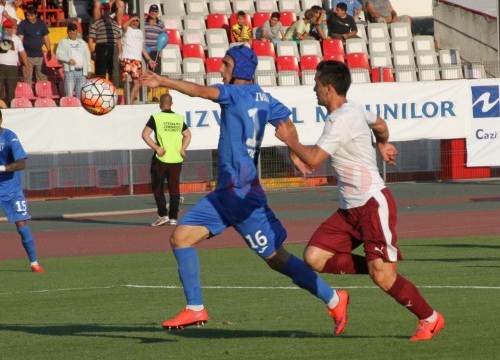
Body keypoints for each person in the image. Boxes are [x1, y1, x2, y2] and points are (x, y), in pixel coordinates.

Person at [140, 45, 349, 333]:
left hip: (243, 197)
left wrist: (163, 81)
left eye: (225, 64)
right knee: (180, 239)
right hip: (225, 194)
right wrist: (293, 151)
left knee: (278, 259)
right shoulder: (265, 97)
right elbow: (285, 122)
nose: (220, 69)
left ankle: (335, 298)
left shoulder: (233, 94)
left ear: (238, 70)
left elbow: (199, 91)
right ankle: (195, 308)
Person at [274, 60, 444, 341]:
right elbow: (380, 124)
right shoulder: (352, 109)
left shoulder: (340, 120)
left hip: (372, 204)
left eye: (316, 85)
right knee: (314, 257)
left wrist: (290, 140)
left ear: (329, 89)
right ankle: (380, 266)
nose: (313, 90)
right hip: (349, 210)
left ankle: (430, 318)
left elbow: (314, 160)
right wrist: (382, 143)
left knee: (383, 276)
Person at [0, 103, 45, 273]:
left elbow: (21, 164)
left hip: (12, 189)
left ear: (1, 120)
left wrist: (0, 168)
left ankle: (34, 263)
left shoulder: (10, 137)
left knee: (22, 226)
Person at [141, 93, 191, 227]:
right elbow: (187, 135)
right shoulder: (179, 119)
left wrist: (157, 147)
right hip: (176, 158)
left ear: (160, 105)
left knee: (158, 188)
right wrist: (183, 149)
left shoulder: (156, 118)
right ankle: (173, 217)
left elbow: (145, 135)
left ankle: (162, 215)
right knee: (174, 188)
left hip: (161, 158)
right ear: (172, 104)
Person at [0, 18, 28, 106]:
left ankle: (10, 107)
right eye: (6, 28)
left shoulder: (16, 39)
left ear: (13, 29)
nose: (7, 30)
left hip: (12, 67)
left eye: (9, 28)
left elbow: (22, 53)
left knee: (11, 90)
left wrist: (26, 67)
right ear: (3, 28)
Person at [120, 14, 156, 104]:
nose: (135, 22)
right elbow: (123, 26)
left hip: (137, 60)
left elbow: (142, 47)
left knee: (137, 83)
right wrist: (131, 18)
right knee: (127, 82)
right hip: (127, 59)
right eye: (133, 20)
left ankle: (130, 103)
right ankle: (127, 102)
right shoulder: (127, 29)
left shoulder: (140, 32)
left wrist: (149, 59)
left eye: (137, 21)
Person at [88, 4, 122, 87]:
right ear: (101, 11)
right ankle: (100, 89)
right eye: (103, 9)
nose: (105, 11)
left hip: (113, 48)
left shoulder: (115, 23)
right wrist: (92, 51)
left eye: (107, 9)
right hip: (101, 47)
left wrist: (119, 53)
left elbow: (119, 40)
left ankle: (114, 90)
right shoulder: (96, 23)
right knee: (101, 71)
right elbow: (90, 38)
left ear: (110, 10)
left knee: (114, 71)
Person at [17, 6, 51, 85]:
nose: (29, 18)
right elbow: (20, 38)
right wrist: (19, 54)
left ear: (36, 15)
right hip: (27, 56)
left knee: (42, 77)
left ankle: (43, 95)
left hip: (39, 55)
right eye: (28, 16)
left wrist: (49, 49)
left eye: (31, 16)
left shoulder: (41, 24)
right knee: (27, 77)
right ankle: (27, 96)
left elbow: (45, 37)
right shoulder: (23, 24)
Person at [56, 23, 92, 97]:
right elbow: (58, 55)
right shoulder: (63, 42)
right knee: (69, 93)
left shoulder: (82, 42)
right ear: (67, 32)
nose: (72, 32)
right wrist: (68, 60)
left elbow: (87, 56)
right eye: (70, 31)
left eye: (74, 30)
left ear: (76, 31)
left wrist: (89, 69)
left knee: (80, 94)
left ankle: (79, 107)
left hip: (82, 72)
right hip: (70, 72)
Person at [144, 4, 166, 74]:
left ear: (157, 13)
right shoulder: (143, 22)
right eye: (152, 11)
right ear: (149, 11)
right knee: (144, 72)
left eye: (155, 11)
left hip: (155, 51)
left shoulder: (161, 24)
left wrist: (160, 51)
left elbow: (164, 38)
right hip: (145, 51)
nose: (153, 13)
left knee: (156, 73)